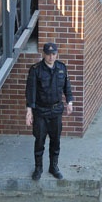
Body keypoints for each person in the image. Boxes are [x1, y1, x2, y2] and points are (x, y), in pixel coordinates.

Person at [26, 42, 74, 180]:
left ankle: (54, 167)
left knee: (56, 140)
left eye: (53, 54)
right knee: (40, 140)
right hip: (41, 111)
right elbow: (31, 91)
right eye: (48, 54)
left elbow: (67, 87)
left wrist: (69, 102)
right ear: (44, 54)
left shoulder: (61, 68)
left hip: (56, 110)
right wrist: (29, 111)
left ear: (56, 54)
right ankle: (38, 168)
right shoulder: (36, 70)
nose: (51, 57)